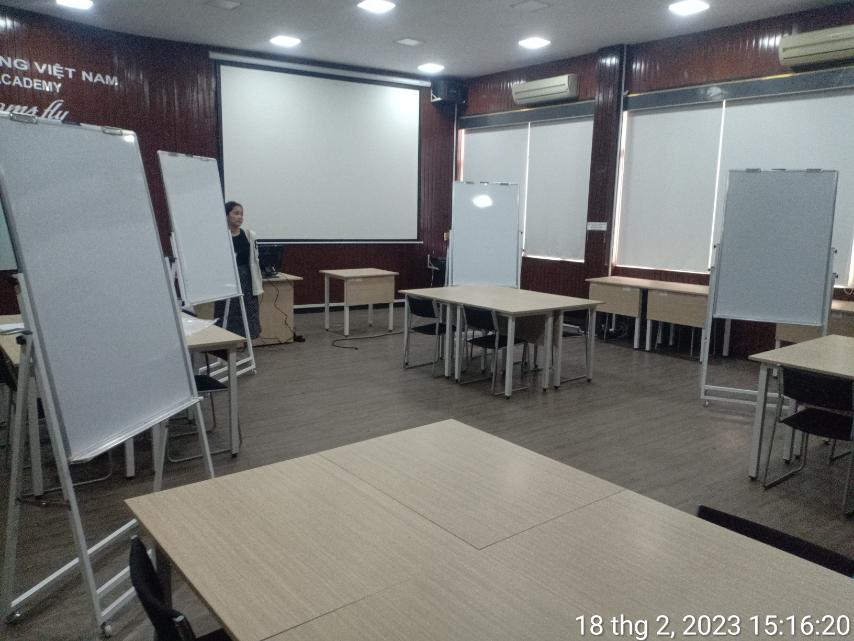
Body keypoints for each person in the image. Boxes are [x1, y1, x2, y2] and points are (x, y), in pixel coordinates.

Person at [215, 201, 263, 339]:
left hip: (246, 280)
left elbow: (254, 259)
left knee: (247, 314)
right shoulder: (220, 236)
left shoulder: (249, 235)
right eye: (236, 213)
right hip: (226, 281)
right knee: (226, 314)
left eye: (241, 214)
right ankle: (226, 343)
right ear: (226, 216)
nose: (240, 217)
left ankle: (247, 344)